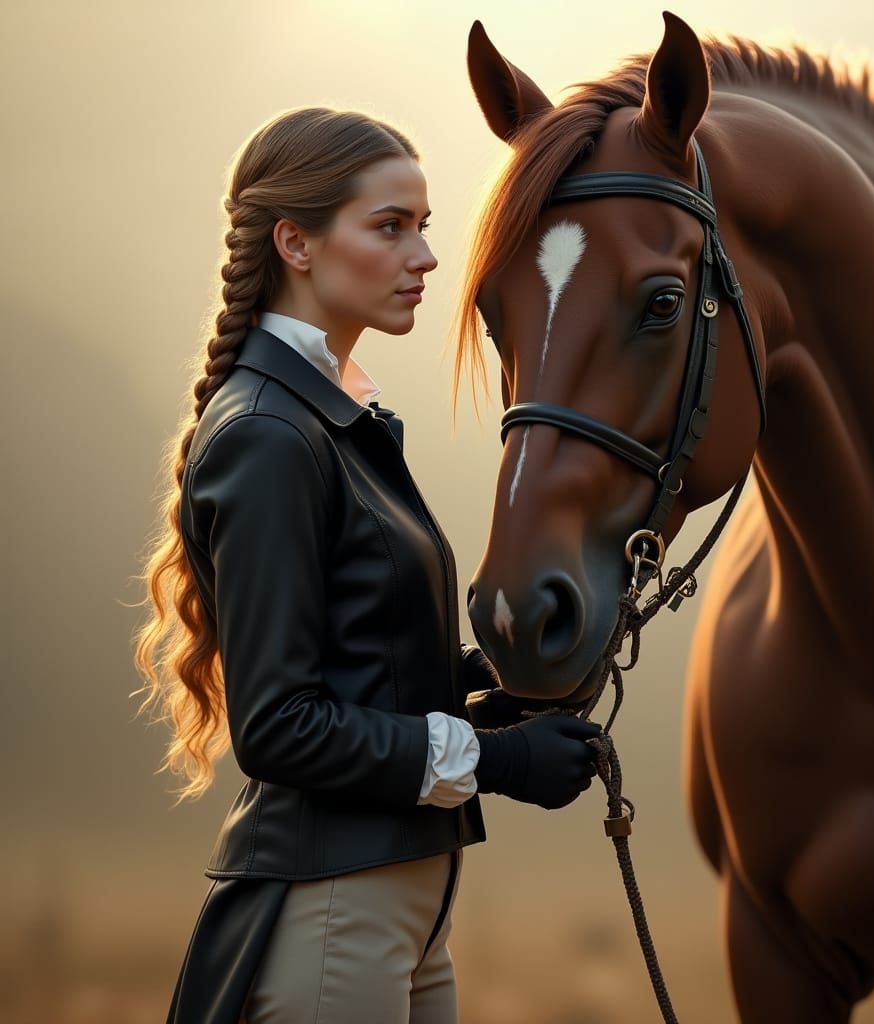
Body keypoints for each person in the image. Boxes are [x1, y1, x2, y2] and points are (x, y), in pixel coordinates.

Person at [130, 106, 602, 1024]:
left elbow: (360, 667)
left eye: (422, 226)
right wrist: (499, 762)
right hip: (336, 907)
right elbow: (283, 726)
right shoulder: (270, 434)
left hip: (405, 907)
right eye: (390, 227)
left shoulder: (329, 418)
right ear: (295, 243)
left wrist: (498, 686)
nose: (425, 256)